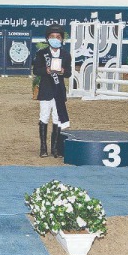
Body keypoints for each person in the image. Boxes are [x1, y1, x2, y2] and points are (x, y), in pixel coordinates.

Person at [31, 24, 72, 158]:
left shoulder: (66, 55)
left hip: (59, 90)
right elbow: (36, 70)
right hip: (46, 89)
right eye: (52, 37)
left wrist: (63, 71)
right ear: (47, 38)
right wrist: (46, 71)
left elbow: (69, 73)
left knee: (57, 118)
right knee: (44, 117)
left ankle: (55, 148)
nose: (55, 39)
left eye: (58, 37)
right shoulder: (41, 53)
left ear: (62, 39)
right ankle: (43, 147)